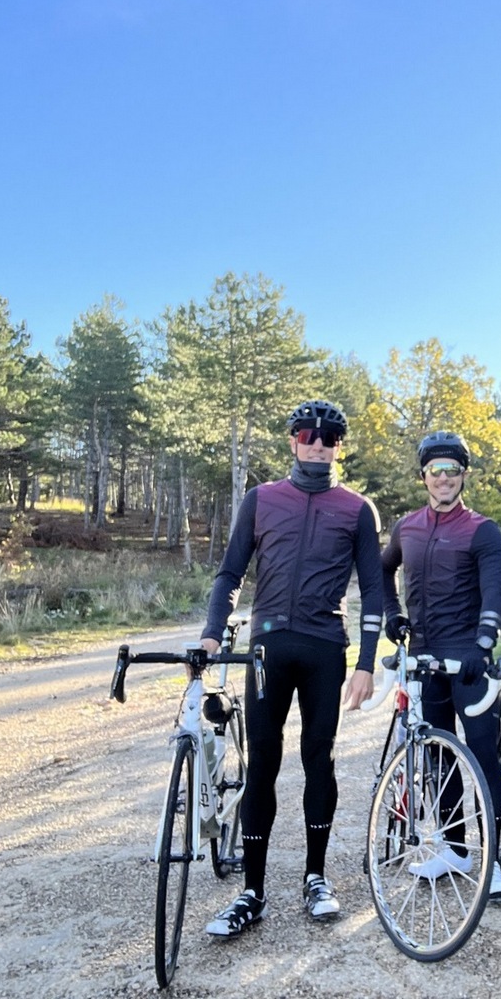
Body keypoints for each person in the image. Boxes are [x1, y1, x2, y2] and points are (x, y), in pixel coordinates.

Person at [200, 399, 383, 937]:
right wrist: (213, 632)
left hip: (326, 648)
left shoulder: (357, 509)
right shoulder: (260, 500)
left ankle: (315, 877)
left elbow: (373, 590)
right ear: (293, 440)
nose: (317, 443)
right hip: (268, 648)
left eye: (328, 437)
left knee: (318, 760)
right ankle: (252, 891)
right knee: (263, 765)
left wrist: (367, 662)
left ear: (338, 446)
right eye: (308, 434)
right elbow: (231, 571)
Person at [365, 430, 501, 899]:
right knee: (440, 758)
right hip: (426, 658)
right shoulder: (406, 528)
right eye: (436, 470)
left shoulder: (482, 530)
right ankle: (455, 850)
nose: (444, 478)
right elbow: (379, 569)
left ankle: (493, 862)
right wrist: (392, 615)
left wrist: (484, 642)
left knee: (484, 757)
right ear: (424, 476)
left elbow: (493, 593)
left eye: (452, 470)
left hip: (469, 660)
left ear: (463, 475)